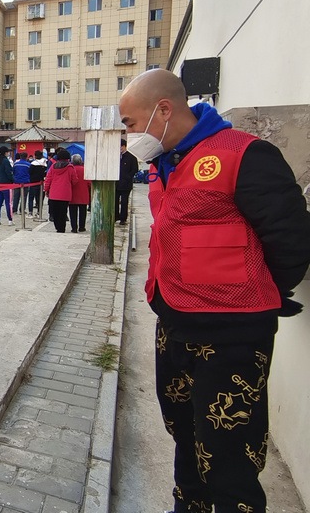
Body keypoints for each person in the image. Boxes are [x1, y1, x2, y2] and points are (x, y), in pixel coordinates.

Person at [119, 68, 310, 513]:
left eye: (130, 123)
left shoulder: (244, 154)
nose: (129, 136)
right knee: (185, 434)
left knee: (229, 455)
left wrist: (250, 297)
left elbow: (290, 240)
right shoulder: (167, 163)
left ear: (163, 110)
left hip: (230, 337)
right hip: (174, 324)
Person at [44, 149, 78, 233]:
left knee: (55, 212)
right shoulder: (70, 168)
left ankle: (57, 227)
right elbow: (74, 180)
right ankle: (62, 228)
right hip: (65, 193)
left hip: (53, 193)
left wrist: (46, 189)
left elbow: (48, 179)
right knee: (63, 212)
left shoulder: (53, 167)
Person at [116, 138, 138, 225]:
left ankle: (123, 218)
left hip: (126, 184)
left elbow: (135, 169)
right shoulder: (116, 157)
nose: (120, 148)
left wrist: (128, 177)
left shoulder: (131, 157)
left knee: (124, 202)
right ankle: (116, 216)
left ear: (125, 146)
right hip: (116, 183)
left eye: (121, 146)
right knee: (115, 201)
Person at [68, 154, 90, 233]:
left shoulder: (71, 169)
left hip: (72, 193)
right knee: (83, 211)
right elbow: (89, 183)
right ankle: (82, 227)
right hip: (83, 193)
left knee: (72, 212)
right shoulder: (85, 170)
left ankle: (74, 227)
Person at [0, 145, 14, 225]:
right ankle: (10, 220)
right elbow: (8, 172)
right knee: (8, 202)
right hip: (6, 184)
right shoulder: (6, 161)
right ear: (5, 152)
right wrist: (12, 180)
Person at [28, 150, 47, 216]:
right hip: (41, 183)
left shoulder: (33, 163)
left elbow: (30, 172)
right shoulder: (45, 163)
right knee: (40, 198)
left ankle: (30, 212)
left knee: (31, 198)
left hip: (33, 183)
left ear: (35, 156)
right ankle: (39, 212)